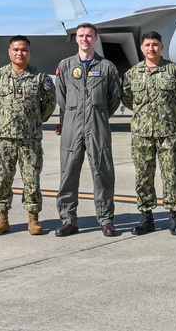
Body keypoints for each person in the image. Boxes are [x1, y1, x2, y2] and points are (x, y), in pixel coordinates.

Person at [122, 31, 176, 236]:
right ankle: (146, 217)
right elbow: (128, 99)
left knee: (172, 175)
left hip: (169, 133)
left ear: (162, 46)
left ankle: (174, 217)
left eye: (155, 44)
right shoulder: (132, 74)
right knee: (143, 176)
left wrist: (169, 114)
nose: (151, 48)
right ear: (141, 48)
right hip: (142, 134)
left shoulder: (175, 71)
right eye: (147, 45)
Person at [0, 36, 56, 236]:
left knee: (32, 180)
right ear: (9, 52)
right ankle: (2, 219)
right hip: (4, 138)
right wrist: (3, 119)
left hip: (30, 138)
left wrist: (35, 120)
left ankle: (33, 219)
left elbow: (49, 103)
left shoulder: (41, 78)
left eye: (23, 50)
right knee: (2, 179)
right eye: (15, 49)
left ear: (29, 52)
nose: (19, 53)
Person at [54, 23, 121, 237]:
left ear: (96, 39)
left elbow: (115, 97)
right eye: (81, 35)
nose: (85, 39)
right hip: (73, 126)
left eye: (89, 36)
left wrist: (98, 113)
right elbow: (61, 97)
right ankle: (68, 220)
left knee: (103, 173)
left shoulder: (107, 67)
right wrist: (75, 114)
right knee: (68, 173)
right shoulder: (65, 66)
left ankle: (106, 220)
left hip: (98, 127)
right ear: (76, 39)